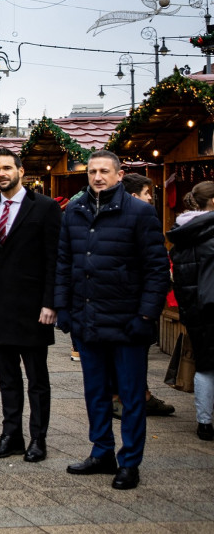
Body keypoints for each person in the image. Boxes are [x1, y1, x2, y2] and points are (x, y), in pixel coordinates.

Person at [55, 150, 170, 490]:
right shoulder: (74, 211)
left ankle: (130, 462)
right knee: (96, 393)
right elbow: (64, 263)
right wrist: (64, 309)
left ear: (120, 175)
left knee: (132, 397)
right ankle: (102, 451)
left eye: (104, 171)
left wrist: (146, 315)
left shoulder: (139, 212)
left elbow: (156, 270)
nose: (97, 177)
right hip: (88, 320)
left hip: (127, 322)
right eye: (92, 171)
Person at [0, 148, 60, 462]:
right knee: (7, 378)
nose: (1, 174)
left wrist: (50, 302)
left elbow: (55, 259)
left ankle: (38, 439)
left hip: (33, 309)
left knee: (37, 379)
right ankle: (11, 434)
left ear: (20, 171)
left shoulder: (46, 208)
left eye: (7, 168)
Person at [117, 173, 174, 419]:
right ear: (133, 196)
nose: (151, 197)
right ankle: (131, 398)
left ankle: (141, 395)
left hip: (136, 302)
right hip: (132, 302)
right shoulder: (139, 221)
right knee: (130, 354)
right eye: (147, 193)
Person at [168, 182, 214, 441]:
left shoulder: (182, 233)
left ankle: (204, 422)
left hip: (194, 309)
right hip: (211, 305)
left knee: (205, 365)